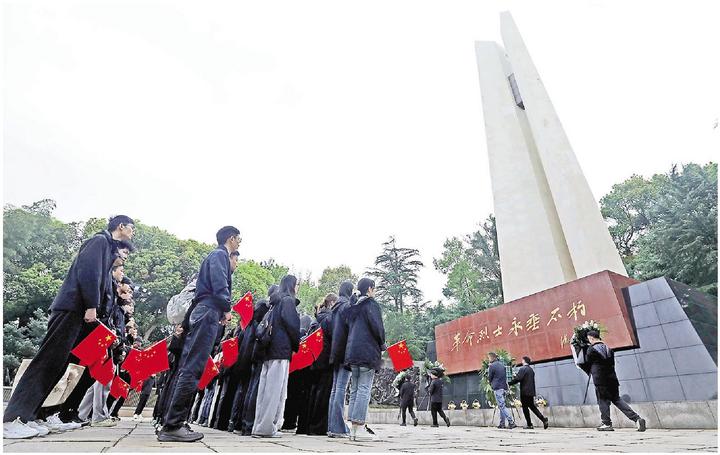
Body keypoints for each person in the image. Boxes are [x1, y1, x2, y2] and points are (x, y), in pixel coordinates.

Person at [3, 215, 135, 440]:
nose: (132, 234)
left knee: (60, 365)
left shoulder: (107, 247)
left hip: (80, 314)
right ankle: (13, 418)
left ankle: (36, 415)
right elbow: (89, 274)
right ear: (121, 226)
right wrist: (92, 305)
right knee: (47, 362)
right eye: (131, 228)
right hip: (71, 308)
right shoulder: (99, 241)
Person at [157, 226, 241, 443]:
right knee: (192, 368)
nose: (240, 243)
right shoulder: (219, 255)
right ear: (231, 238)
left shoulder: (214, 257)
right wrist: (226, 308)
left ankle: (175, 420)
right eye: (239, 239)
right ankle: (173, 425)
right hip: (208, 312)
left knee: (189, 367)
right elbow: (220, 285)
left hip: (203, 312)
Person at [251, 275, 301, 438]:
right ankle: (267, 428)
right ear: (292, 285)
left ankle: (259, 425)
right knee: (275, 391)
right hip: (281, 350)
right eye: (297, 285)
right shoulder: (287, 301)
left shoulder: (274, 302)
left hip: (269, 350)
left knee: (264, 391)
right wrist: (296, 345)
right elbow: (293, 326)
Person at [343, 278, 385, 442]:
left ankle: (353, 430)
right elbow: (378, 328)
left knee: (355, 389)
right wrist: (382, 343)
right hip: (367, 352)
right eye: (374, 288)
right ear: (369, 289)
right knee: (364, 389)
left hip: (352, 352)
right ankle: (359, 427)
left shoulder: (353, 306)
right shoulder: (370, 304)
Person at [582, 330, 646, 432]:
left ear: (591, 338)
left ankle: (606, 423)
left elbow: (587, 363)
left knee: (603, 400)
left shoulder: (591, 349)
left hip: (600, 380)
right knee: (617, 399)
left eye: (589, 339)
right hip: (612, 379)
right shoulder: (609, 349)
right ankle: (637, 419)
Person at [236, 286, 276, 435]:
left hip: (248, 357)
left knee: (246, 390)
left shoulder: (250, 322)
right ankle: (248, 424)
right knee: (254, 389)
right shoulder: (264, 312)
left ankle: (240, 423)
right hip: (257, 356)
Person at [302, 293, 337, 435]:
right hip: (325, 359)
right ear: (332, 303)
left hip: (314, 359)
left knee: (312, 392)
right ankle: (318, 427)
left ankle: (307, 425)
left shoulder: (316, 319)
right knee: (323, 393)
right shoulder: (330, 318)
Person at [326, 280, 355, 438]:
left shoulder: (335, 308)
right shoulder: (346, 306)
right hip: (345, 352)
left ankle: (332, 426)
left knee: (335, 390)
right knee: (340, 390)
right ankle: (338, 428)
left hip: (335, 351)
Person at [508, 356, 548, 429]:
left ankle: (529, 424)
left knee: (525, 408)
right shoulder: (531, 370)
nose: (521, 361)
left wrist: (509, 383)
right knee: (532, 407)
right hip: (531, 391)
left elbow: (518, 378)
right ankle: (543, 419)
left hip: (524, 392)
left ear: (524, 361)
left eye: (522, 360)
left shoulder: (523, 369)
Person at [487, 352, 516, 429]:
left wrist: (490, 383)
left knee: (502, 406)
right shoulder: (502, 365)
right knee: (501, 406)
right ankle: (502, 423)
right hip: (503, 387)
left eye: (489, 358)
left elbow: (490, 378)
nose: (488, 359)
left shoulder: (492, 366)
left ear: (492, 358)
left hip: (497, 388)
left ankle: (511, 422)